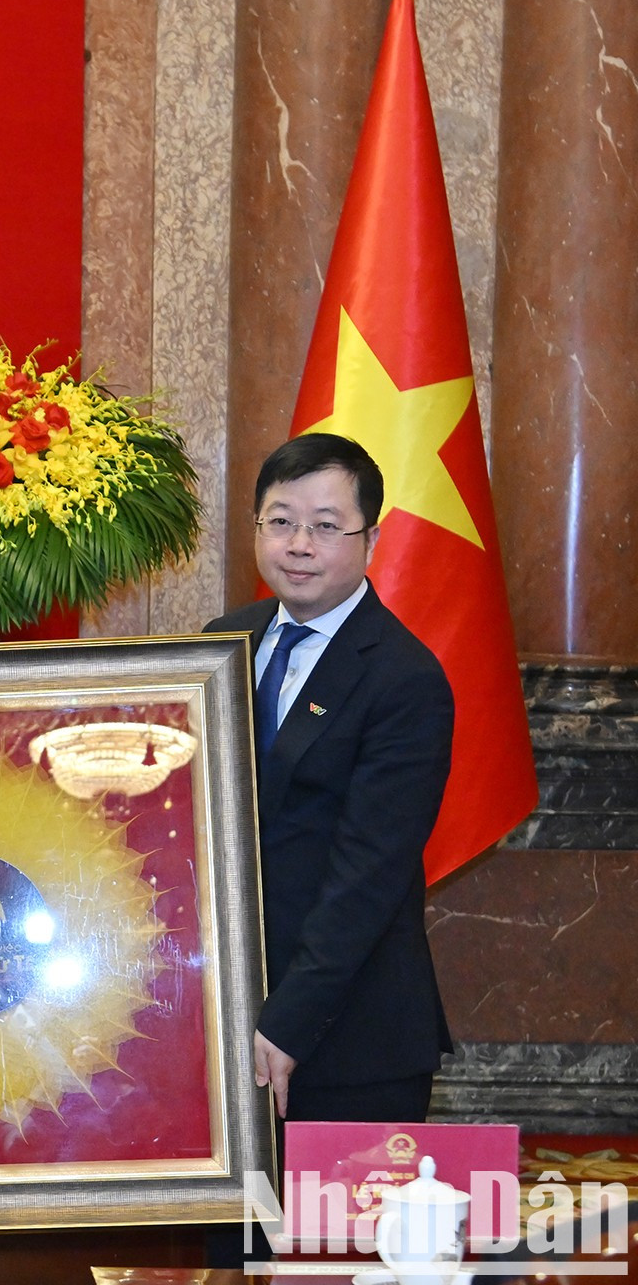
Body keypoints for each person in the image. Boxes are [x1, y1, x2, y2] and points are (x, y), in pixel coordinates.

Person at [208, 433, 454, 1124]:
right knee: (236, 1206)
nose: (298, 545)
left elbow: (367, 878)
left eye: (324, 527)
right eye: (280, 521)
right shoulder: (222, 641)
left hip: (347, 1039)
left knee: (333, 1206)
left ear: (370, 539)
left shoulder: (404, 678)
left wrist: (288, 1023)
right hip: (222, 1014)